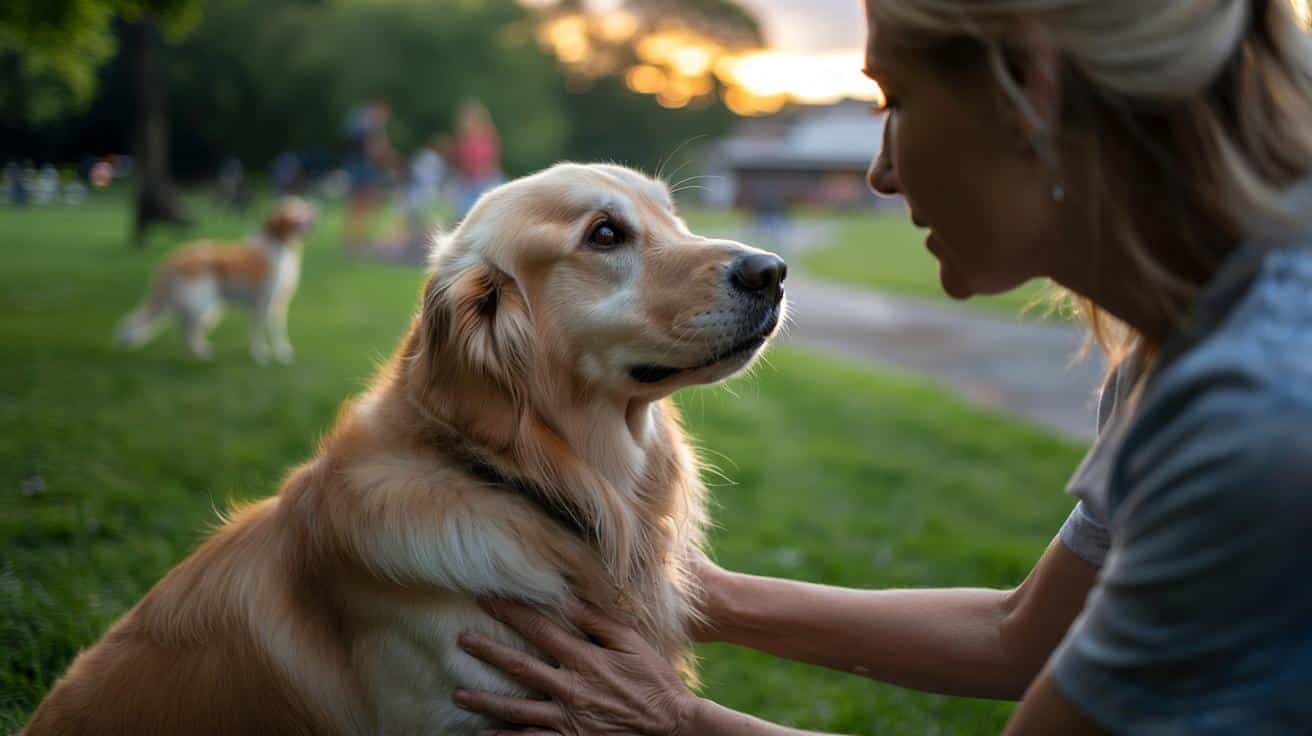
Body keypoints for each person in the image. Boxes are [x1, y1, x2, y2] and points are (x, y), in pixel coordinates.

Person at [451, 0, 1312, 733]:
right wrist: (682, 592)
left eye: (894, 101)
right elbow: (1027, 635)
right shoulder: (1207, 326)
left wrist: (680, 720)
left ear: (1032, 90)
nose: (882, 171)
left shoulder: (1255, 419)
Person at [343, 98, 399, 254]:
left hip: (357, 168)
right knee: (363, 207)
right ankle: (357, 243)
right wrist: (392, 161)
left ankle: (353, 242)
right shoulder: (370, 127)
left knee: (358, 208)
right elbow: (375, 151)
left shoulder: (358, 123)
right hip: (364, 170)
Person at [449, 100, 504, 218]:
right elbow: (461, 164)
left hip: (486, 181)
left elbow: (491, 163)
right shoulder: (463, 140)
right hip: (468, 183)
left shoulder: (487, 138)